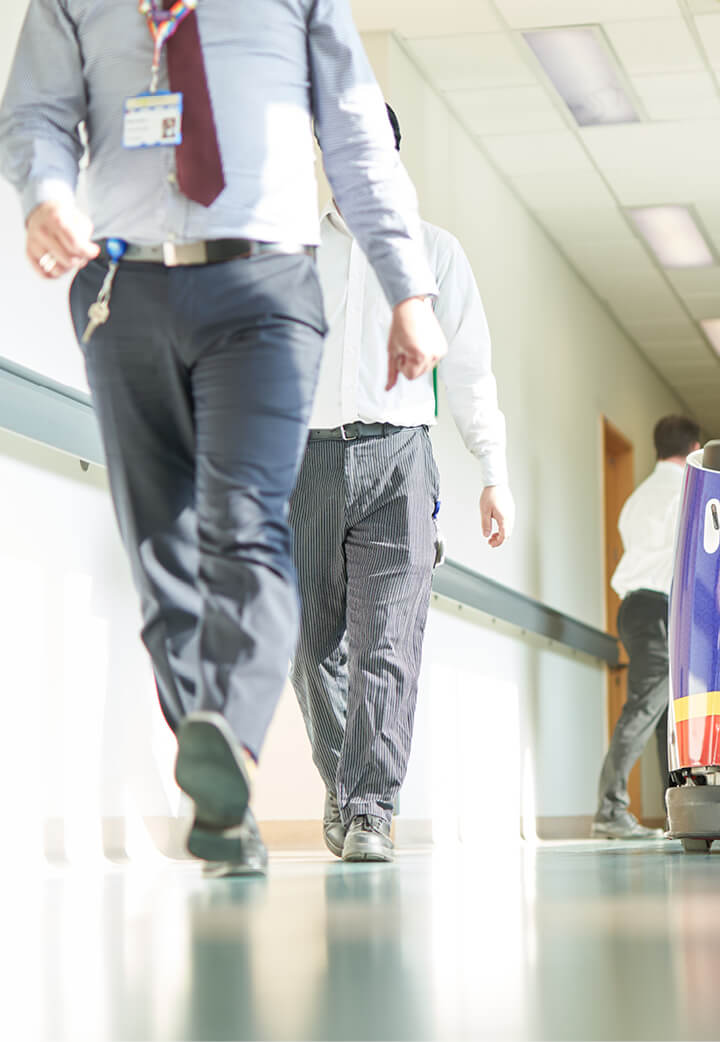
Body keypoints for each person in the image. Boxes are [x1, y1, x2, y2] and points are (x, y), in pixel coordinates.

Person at [0, 0, 447, 878]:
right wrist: (46, 192)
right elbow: (38, 112)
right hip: (122, 288)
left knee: (245, 527)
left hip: (264, 287)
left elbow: (355, 134)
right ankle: (221, 789)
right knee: (159, 545)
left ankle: (233, 751)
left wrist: (410, 289)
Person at [291, 105, 514, 863]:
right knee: (309, 645)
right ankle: (348, 784)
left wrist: (495, 473)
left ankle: (371, 809)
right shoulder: (293, 249)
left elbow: (473, 370)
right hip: (307, 460)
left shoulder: (435, 253)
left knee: (388, 644)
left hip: (400, 459)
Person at [592, 415, 701, 840]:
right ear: (694, 449)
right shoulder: (686, 490)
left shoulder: (637, 497)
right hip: (658, 608)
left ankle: (674, 811)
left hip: (633, 607)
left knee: (662, 715)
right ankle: (610, 808)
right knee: (645, 708)